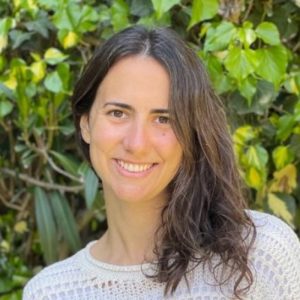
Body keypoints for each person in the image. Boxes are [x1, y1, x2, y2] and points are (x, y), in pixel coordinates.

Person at [23, 26, 300, 300]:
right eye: (118, 113)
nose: (137, 144)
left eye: (163, 119)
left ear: (191, 133)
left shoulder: (259, 254)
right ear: (86, 124)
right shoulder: (50, 292)